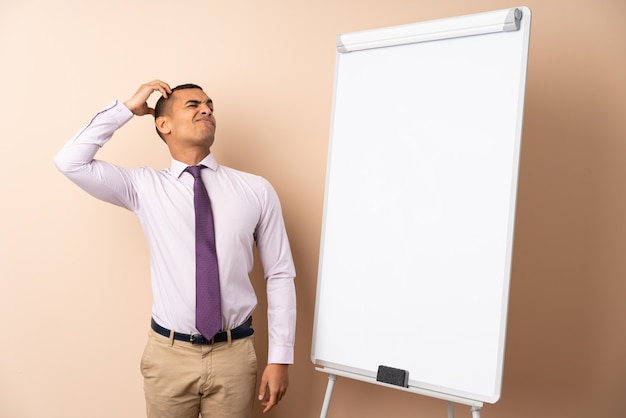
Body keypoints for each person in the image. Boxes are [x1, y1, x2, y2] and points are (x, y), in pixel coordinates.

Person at [54, 80, 297, 417]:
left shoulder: (256, 190)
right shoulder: (144, 187)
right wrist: (126, 109)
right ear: (163, 124)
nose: (207, 109)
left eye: (210, 104)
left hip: (235, 355)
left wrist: (281, 356)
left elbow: (280, 273)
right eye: (193, 104)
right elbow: (70, 161)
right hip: (168, 356)